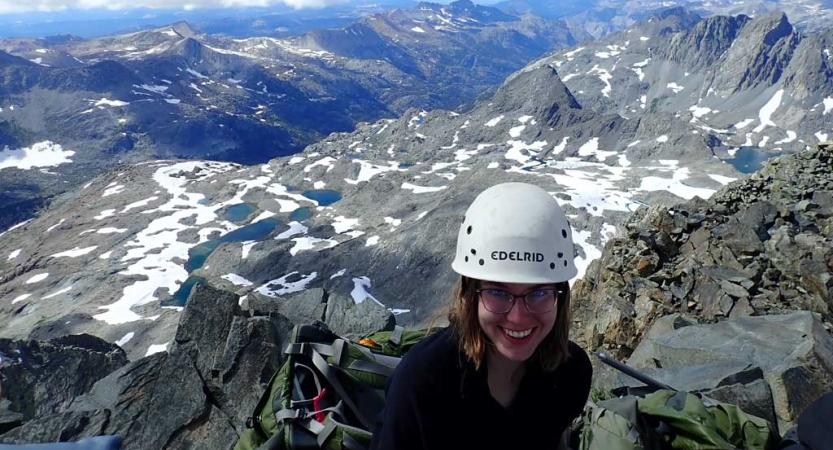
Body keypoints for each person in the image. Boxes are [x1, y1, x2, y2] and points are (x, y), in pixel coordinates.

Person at [369, 182, 592, 450]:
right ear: (469, 294)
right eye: (498, 292)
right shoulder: (422, 382)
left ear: (561, 296)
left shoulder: (571, 374)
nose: (519, 317)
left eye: (539, 293)